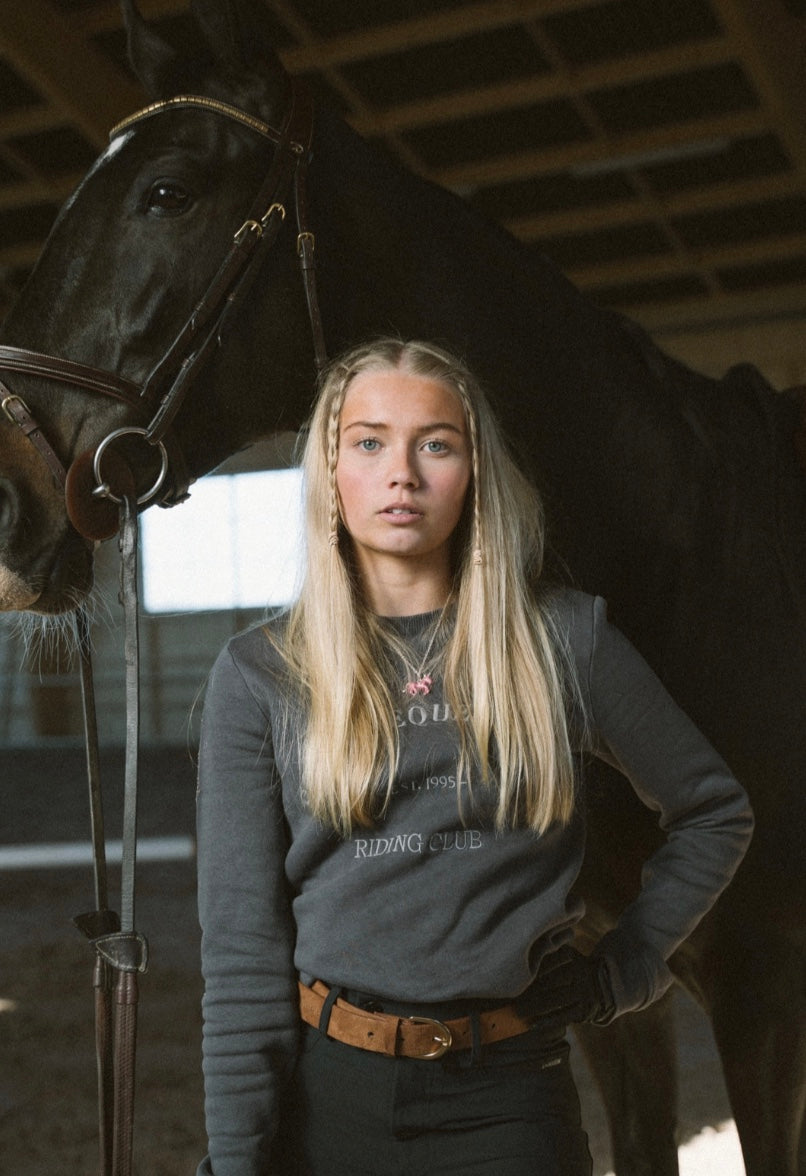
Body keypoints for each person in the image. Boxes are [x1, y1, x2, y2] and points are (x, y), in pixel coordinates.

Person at [195, 338, 753, 1176]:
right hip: (330, 1096)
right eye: (370, 441)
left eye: (437, 444)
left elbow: (714, 810)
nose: (402, 473)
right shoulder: (260, 674)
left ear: (475, 472)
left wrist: (632, 962)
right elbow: (242, 955)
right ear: (332, 475)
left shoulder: (566, 640)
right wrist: (236, 1162)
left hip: (509, 1097)